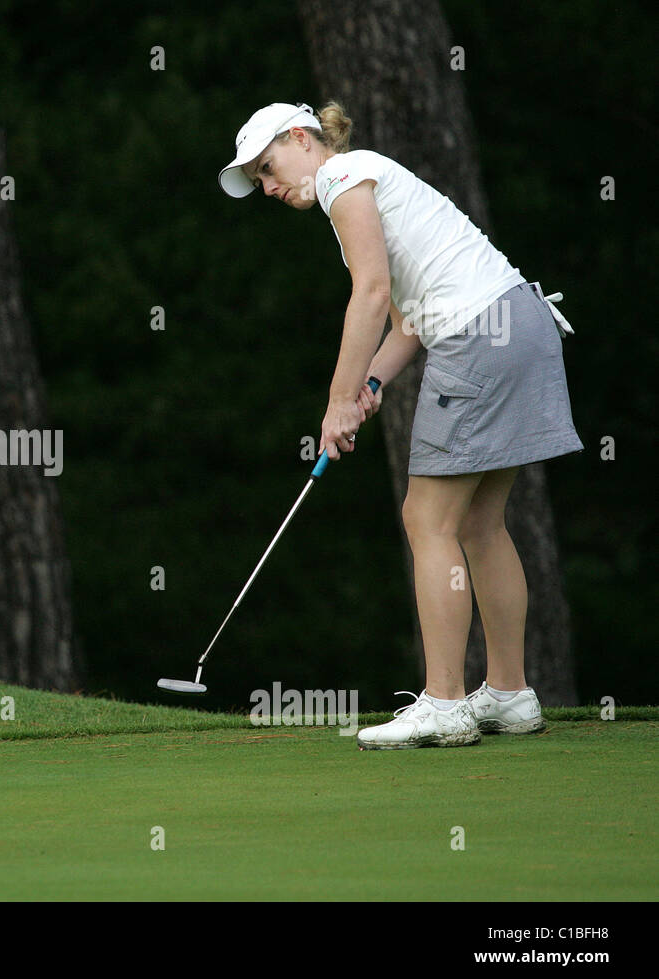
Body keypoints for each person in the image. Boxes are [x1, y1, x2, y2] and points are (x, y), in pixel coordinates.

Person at [218, 102, 583, 750]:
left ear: (300, 139)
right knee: (478, 522)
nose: (268, 188)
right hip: (521, 323)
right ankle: (509, 693)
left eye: (267, 169)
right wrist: (369, 387)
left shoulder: (341, 178)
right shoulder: (371, 177)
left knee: (426, 519)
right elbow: (407, 319)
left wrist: (335, 401)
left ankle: (444, 702)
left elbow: (370, 292)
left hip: (478, 336)